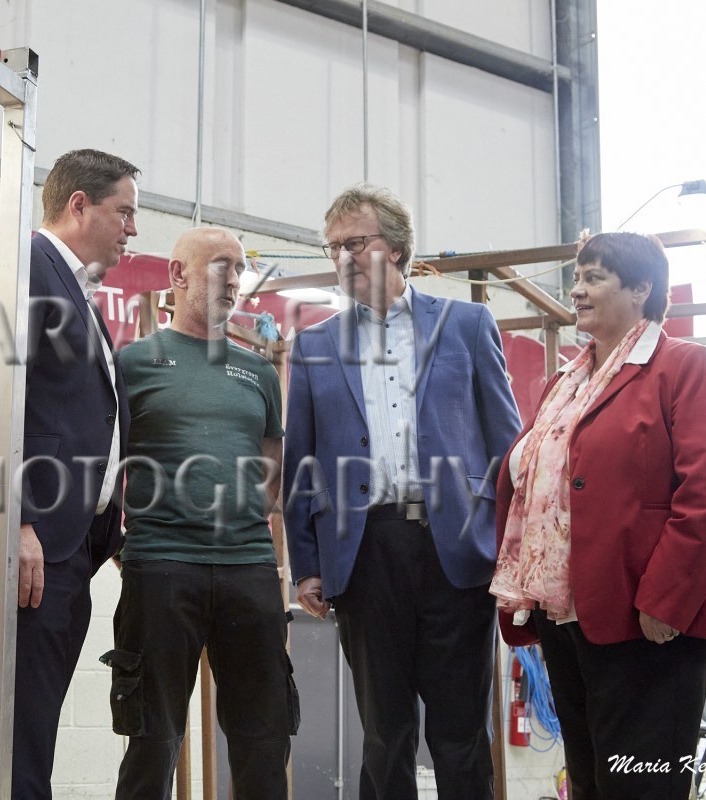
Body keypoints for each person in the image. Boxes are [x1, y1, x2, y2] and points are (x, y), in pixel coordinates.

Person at [490, 231, 706, 800]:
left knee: (642, 782)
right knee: (590, 779)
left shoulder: (687, 367)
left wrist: (666, 600)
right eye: (577, 277)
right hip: (568, 613)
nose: (577, 290)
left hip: (648, 617)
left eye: (594, 277)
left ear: (642, 289)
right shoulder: (566, 384)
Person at [282, 184, 521, 800]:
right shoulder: (314, 345)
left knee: (461, 734)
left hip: (457, 550)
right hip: (365, 552)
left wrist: (511, 550)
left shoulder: (467, 325)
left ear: (396, 247)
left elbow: (509, 448)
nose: (342, 257)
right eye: (333, 247)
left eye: (355, 243)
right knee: (384, 734)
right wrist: (307, 564)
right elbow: (301, 462)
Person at [0, 148, 140, 799]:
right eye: (124, 212)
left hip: (65, 543)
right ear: (79, 204)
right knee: (16, 734)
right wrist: (13, 518)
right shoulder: (22, 263)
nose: (133, 229)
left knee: (13, 731)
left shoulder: (74, 289)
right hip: (23, 537)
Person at [104, 227, 298, 800]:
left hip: (248, 569)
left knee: (264, 742)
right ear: (178, 274)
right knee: (152, 740)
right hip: (161, 568)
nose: (234, 281)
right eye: (220, 266)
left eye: (239, 269)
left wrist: (240, 519)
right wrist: (126, 543)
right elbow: (104, 466)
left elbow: (270, 472)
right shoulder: (132, 364)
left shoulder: (259, 373)